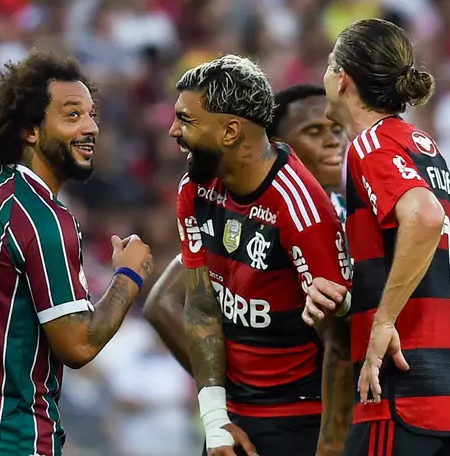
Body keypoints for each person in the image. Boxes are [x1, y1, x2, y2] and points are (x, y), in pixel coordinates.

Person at [0, 52, 154, 456]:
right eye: (72, 115)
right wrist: (128, 278)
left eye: (92, 115)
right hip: (6, 436)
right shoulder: (44, 219)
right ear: (30, 130)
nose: (91, 127)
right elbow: (78, 346)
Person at [303, 18, 450, 456]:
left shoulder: (371, 145)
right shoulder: (423, 147)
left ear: (343, 78)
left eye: (330, 65)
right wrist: (352, 300)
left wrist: (382, 321)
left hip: (405, 393)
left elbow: (424, 218)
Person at [144, 83, 354, 454]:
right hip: (279, 422)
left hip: (315, 422)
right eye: (313, 131)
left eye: (336, 130)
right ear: (272, 141)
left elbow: (346, 338)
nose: (332, 142)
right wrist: (228, 402)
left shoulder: (348, 219)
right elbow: (163, 303)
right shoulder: (234, 206)